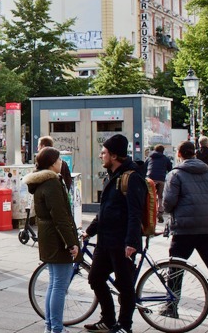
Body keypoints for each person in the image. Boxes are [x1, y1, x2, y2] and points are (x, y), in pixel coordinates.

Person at [83, 134, 145, 333]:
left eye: (104, 153)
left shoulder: (131, 178)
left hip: (121, 242)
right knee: (95, 278)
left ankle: (125, 325)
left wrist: (132, 242)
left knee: (124, 286)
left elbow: (135, 213)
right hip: (106, 241)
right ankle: (108, 319)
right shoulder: (113, 176)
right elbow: (105, 210)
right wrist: (90, 231)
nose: (101, 156)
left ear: (115, 155)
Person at [23, 147, 79, 333]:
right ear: (52, 163)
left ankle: (51, 326)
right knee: (59, 285)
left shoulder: (42, 182)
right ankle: (56, 328)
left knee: (55, 283)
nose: (61, 162)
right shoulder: (52, 183)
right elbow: (60, 217)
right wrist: (71, 242)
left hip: (48, 236)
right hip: (57, 238)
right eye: (59, 160)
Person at [162, 141, 208, 270]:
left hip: (184, 228)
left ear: (179, 154)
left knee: (176, 269)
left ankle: (173, 291)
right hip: (207, 226)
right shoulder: (207, 172)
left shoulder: (175, 174)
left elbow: (168, 202)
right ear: (194, 153)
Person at [145, 144, 172, 223]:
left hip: (150, 178)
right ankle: (160, 212)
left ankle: (150, 213)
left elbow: (144, 167)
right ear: (162, 151)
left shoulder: (149, 157)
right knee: (160, 197)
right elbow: (170, 168)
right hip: (161, 178)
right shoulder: (165, 158)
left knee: (150, 196)